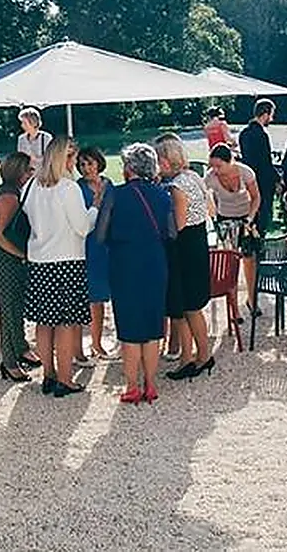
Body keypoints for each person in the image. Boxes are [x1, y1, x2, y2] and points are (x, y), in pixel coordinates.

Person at [96, 143, 177, 404]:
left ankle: (132, 386)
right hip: (154, 262)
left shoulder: (115, 195)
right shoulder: (163, 195)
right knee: (153, 327)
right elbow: (172, 232)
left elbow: (100, 234)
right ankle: (151, 384)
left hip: (124, 263)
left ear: (129, 168)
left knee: (129, 328)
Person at [25, 137, 99, 395]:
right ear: (64, 159)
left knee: (44, 323)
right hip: (66, 261)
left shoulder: (33, 185)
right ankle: (65, 379)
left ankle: (49, 374)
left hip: (40, 261)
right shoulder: (68, 188)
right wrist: (95, 209)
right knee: (66, 323)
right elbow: (82, 227)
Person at [156, 133, 215, 381]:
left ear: (166, 161)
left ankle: (192, 358)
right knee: (193, 308)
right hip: (198, 243)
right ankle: (200, 355)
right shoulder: (193, 177)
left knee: (185, 308)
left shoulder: (177, 187)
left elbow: (176, 226)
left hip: (183, 249)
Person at [0, 153, 35, 382]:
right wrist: (22, 255)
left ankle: (20, 347)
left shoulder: (13, 192)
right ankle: (8, 362)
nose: (31, 174)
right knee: (8, 310)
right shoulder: (8, 196)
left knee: (16, 306)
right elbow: (0, 235)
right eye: (29, 170)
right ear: (19, 172)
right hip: (4, 258)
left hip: (10, 258)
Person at [203, 143, 259, 317]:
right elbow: (205, 199)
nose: (215, 169)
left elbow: (256, 197)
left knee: (249, 260)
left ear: (230, 161)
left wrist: (249, 219)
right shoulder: (210, 177)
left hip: (247, 217)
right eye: (213, 166)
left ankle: (252, 300)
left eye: (219, 165)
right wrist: (212, 214)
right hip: (225, 218)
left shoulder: (245, 172)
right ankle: (234, 310)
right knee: (230, 263)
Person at [77, 146, 115, 359]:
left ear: (99, 163)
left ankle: (115, 340)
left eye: (90, 163)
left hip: (111, 244)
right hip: (89, 245)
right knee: (94, 298)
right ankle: (95, 342)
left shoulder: (110, 184)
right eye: (82, 164)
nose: (86, 168)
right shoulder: (77, 188)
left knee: (112, 293)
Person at [238, 98, 279, 241]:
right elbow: (266, 161)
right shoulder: (262, 134)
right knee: (263, 215)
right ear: (266, 114)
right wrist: (277, 179)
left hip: (248, 178)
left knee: (250, 214)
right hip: (263, 180)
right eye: (271, 114)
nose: (272, 118)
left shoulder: (244, 133)